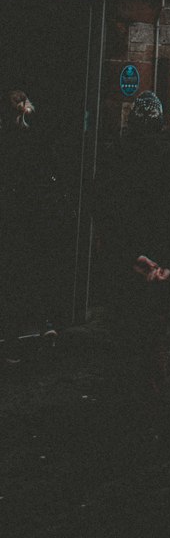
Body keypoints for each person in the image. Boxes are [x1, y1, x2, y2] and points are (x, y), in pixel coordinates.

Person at [94, 91, 170, 414]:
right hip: (159, 264)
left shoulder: (114, 155)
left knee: (122, 328)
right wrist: (169, 264)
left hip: (125, 261)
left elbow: (103, 210)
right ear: (161, 124)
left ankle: (122, 399)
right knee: (156, 330)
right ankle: (154, 396)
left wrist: (128, 256)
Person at [0, 89, 63, 347]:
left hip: (21, 210)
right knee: (32, 268)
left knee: (18, 270)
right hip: (30, 209)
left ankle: (20, 331)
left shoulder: (19, 133)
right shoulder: (29, 132)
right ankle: (41, 323)